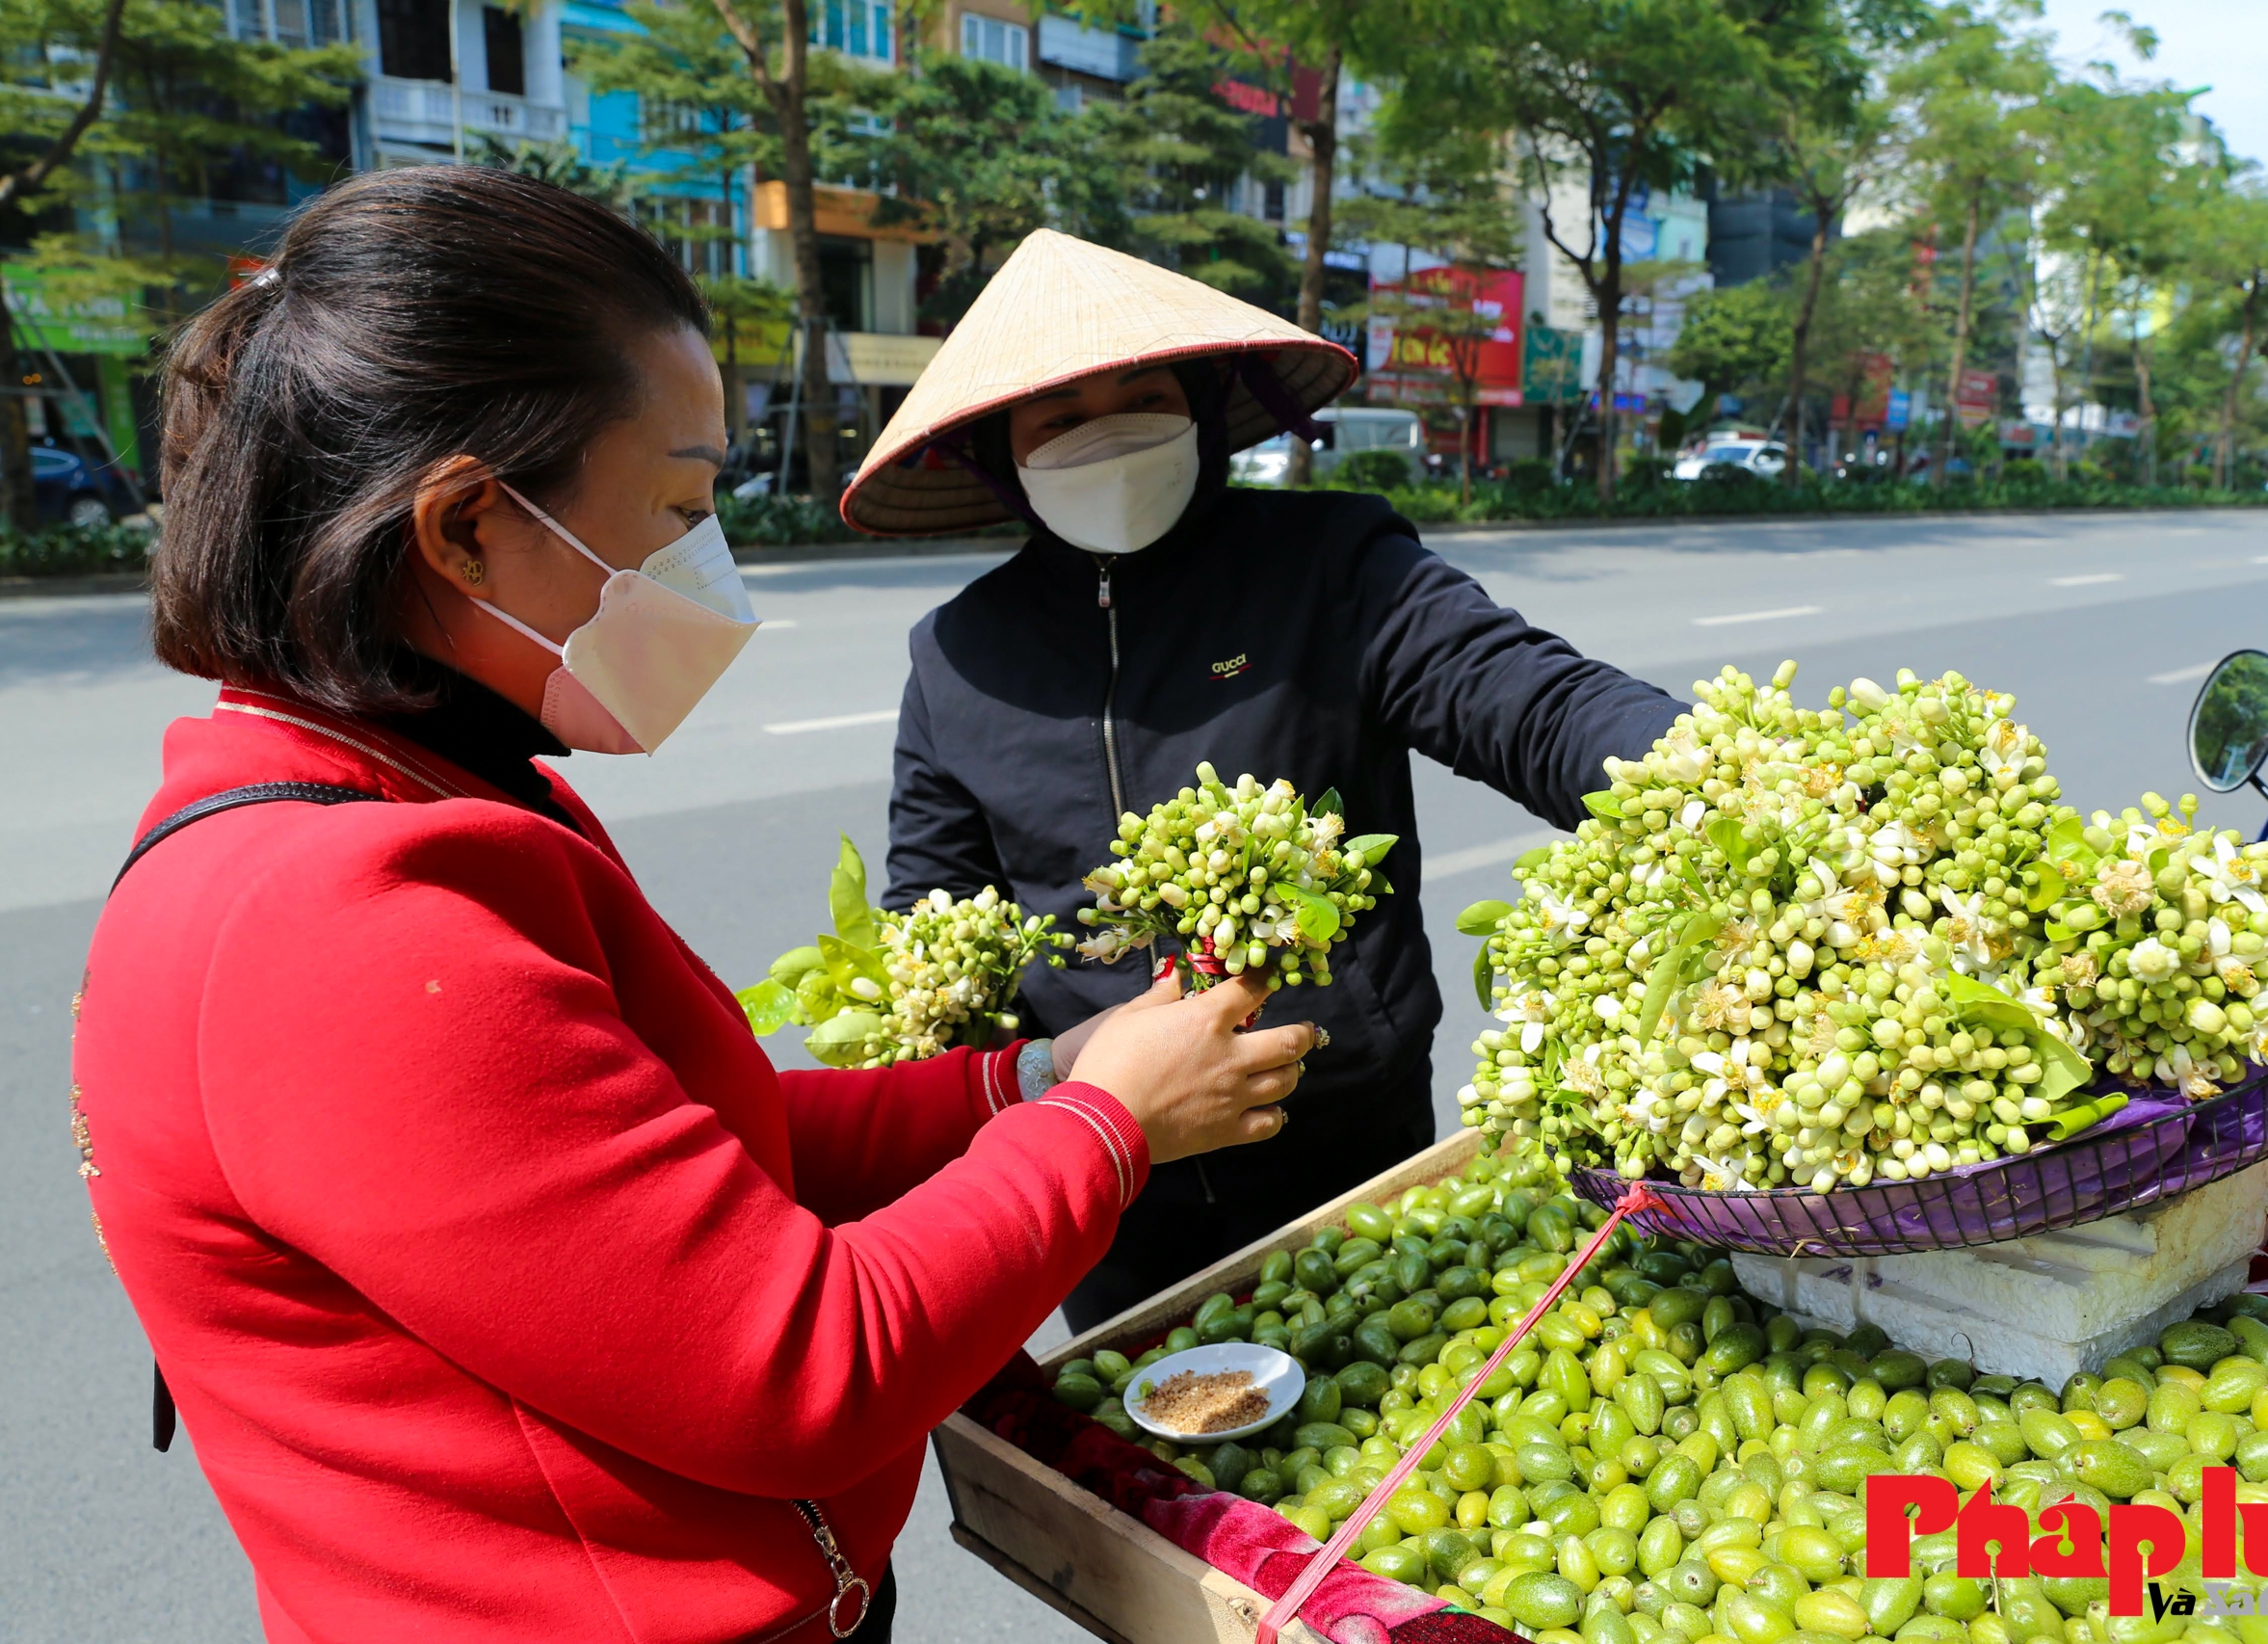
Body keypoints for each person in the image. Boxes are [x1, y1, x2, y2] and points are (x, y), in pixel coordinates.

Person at [73, 170, 1311, 1644]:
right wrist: (1100, 1130)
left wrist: (1022, 1077)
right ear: (465, 524)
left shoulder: (417, 797)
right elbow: (794, 1365)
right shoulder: (343, 921)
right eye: (677, 505)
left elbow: (691, 1159)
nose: (705, 565)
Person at [839, 230, 1686, 1331]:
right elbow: (934, 911)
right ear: (1005, 454)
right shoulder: (959, 655)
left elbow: (1529, 699)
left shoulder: (1331, 564)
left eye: (1141, 394)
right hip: (1104, 1176)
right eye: (1061, 420)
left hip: (1343, 1138)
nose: (1108, 436)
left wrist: (1712, 769)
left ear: (1200, 402)